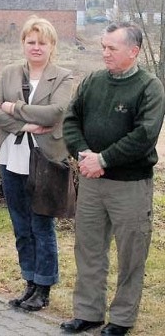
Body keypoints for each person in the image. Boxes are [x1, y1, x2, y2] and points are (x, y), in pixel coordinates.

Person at [60, 22, 165, 335]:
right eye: (103, 47)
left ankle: (121, 318)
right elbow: (70, 119)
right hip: (92, 182)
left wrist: (103, 159)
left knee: (131, 252)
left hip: (130, 186)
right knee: (89, 248)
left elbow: (144, 135)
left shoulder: (149, 88)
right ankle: (89, 312)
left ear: (133, 52)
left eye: (111, 48)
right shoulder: (93, 81)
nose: (104, 53)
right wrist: (84, 155)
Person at [0, 16, 73, 312]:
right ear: (23, 43)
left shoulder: (63, 76)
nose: (36, 47)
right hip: (12, 158)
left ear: (52, 46)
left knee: (41, 225)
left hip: (45, 161)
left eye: (42, 42)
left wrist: (16, 109)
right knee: (21, 226)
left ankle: (44, 287)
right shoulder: (10, 73)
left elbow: (55, 113)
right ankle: (29, 283)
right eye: (31, 41)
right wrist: (24, 125)